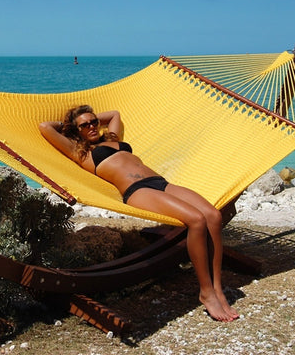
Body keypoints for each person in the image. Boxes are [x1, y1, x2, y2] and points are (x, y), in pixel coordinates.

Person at [39, 105, 239, 322]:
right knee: (196, 220)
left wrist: (91, 119)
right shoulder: (81, 152)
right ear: (76, 131)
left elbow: (115, 114)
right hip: (137, 190)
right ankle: (206, 292)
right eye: (84, 125)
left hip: (159, 182)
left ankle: (218, 288)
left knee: (213, 216)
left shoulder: (113, 138)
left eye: (94, 122)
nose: (92, 127)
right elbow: (45, 127)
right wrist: (68, 126)